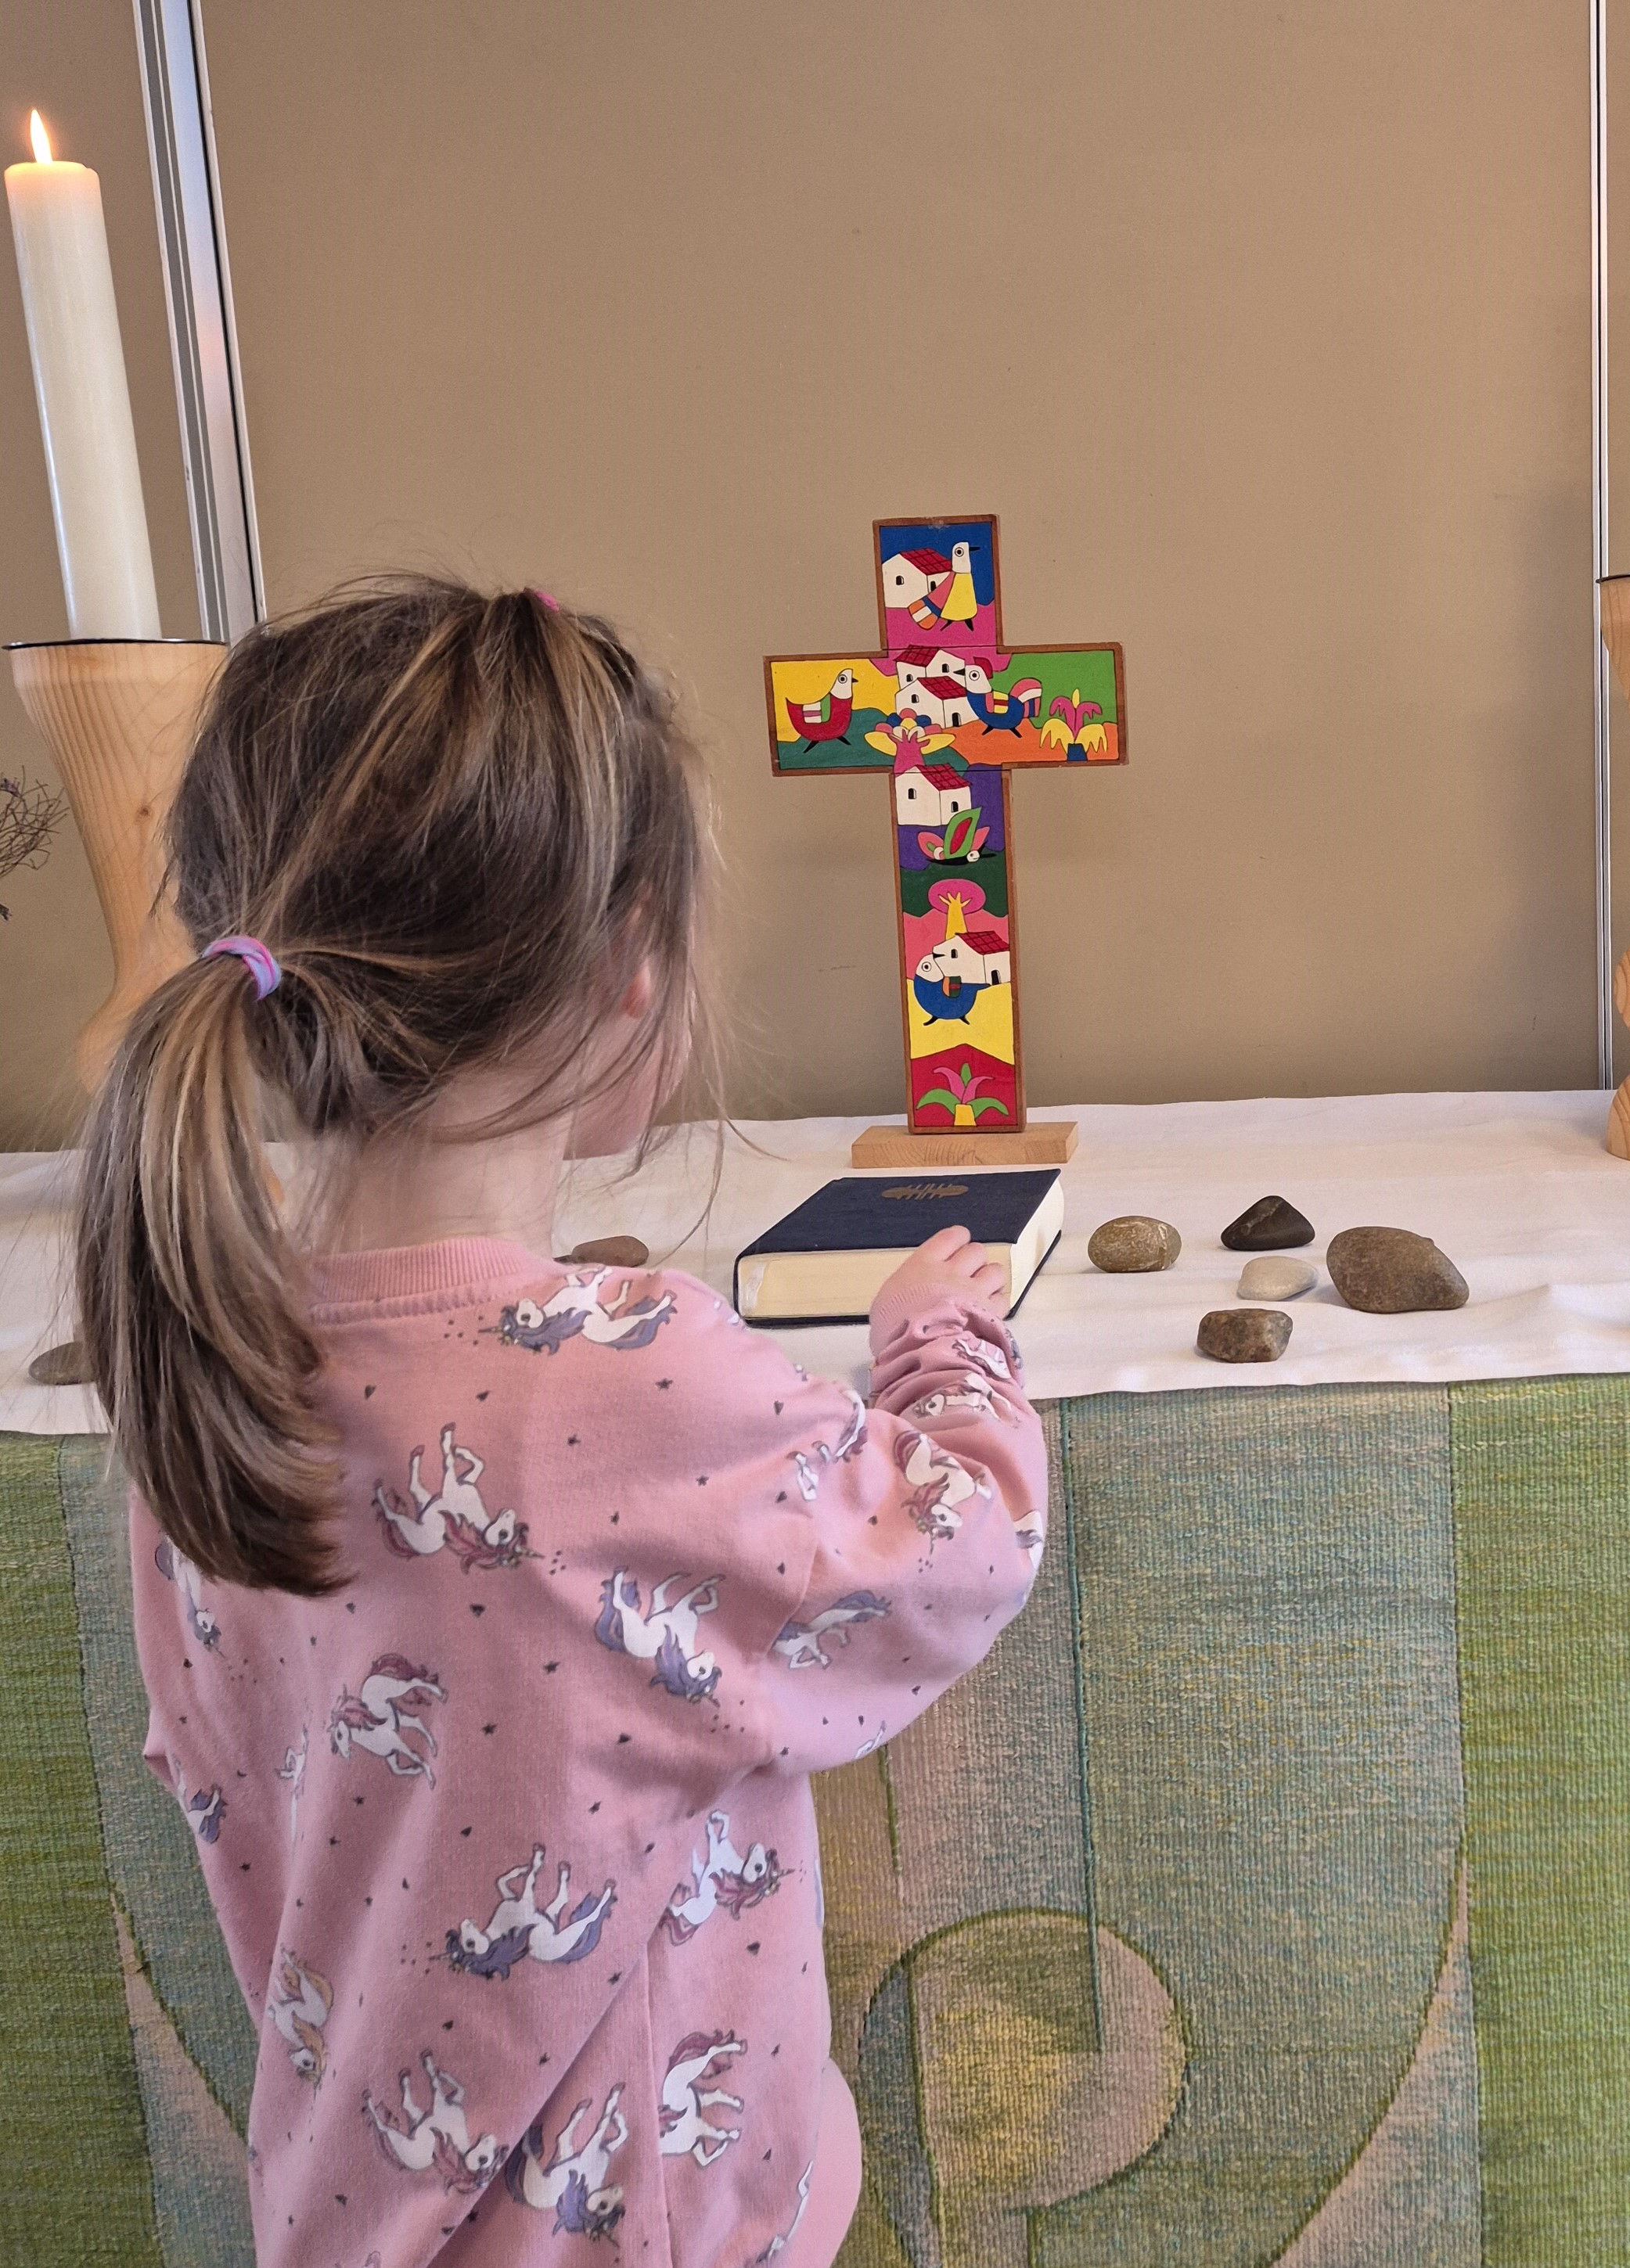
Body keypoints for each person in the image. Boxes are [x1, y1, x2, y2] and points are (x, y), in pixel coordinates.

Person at [77, 577, 1046, 2266]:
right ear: (626, 969)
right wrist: (936, 1341)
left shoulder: (203, 1357)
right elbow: (959, 1546)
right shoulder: (629, 1378)